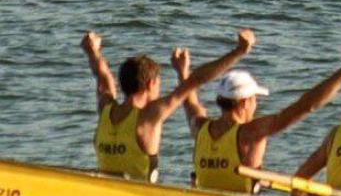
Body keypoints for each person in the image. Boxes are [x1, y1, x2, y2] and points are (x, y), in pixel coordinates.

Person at [177, 43, 341, 193]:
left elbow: (187, 98)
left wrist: (182, 72)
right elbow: (305, 106)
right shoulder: (251, 133)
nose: (256, 104)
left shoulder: (199, 128)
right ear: (244, 103)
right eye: (255, 99)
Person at [81, 29, 254, 182]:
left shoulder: (106, 109)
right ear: (151, 84)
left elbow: (103, 77)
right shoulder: (148, 116)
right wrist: (238, 52)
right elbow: (196, 80)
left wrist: (92, 51)